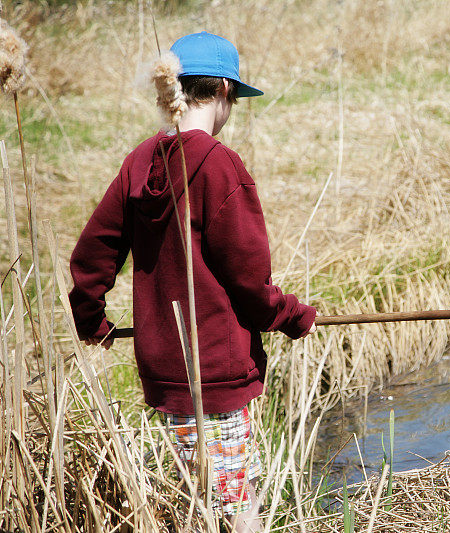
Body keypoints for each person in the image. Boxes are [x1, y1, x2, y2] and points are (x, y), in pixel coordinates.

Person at [68, 31, 316, 531]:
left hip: (165, 369)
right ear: (224, 89)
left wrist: (92, 321)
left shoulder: (140, 160)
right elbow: (249, 279)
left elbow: (93, 255)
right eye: (235, 98)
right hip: (216, 372)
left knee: (200, 497)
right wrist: (293, 316)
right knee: (231, 510)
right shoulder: (219, 165)